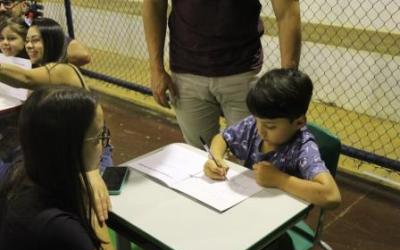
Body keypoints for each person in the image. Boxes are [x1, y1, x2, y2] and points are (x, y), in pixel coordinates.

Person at [143, 0, 301, 149]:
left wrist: (287, 82)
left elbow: (287, 12)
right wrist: (156, 68)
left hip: (242, 71)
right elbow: (154, 3)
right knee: (199, 156)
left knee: (253, 158)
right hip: (187, 72)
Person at [0, 17, 113, 223]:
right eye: (28, 41)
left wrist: (91, 169)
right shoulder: (38, 69)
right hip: (62, 152)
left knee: (84, 209)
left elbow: (24, 79)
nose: (29, 45)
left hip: (88, 153)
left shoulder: (63, 70)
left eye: (36, 40)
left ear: (51, 42)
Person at [0, 87, 121, 250]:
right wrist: (94, 213)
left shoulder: (18, 176)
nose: (104, 146)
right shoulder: (58, 227)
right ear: (70, 150)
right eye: (99, 137)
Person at [203, 69, 341, 209]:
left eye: (270, 126)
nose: (260, 130)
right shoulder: (253, 125)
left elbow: (331, 196)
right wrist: (215, 158)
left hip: (280, 215)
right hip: (247, 205)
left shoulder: (303, 147)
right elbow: (221, 138)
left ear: (299, 122)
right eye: (257, 121)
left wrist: (279, 180)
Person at [0, 0, 90, 66]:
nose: (1, 8)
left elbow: (81, 55)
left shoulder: (34, 28)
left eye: (7, 3)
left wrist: (31, 50)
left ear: (23, 5)